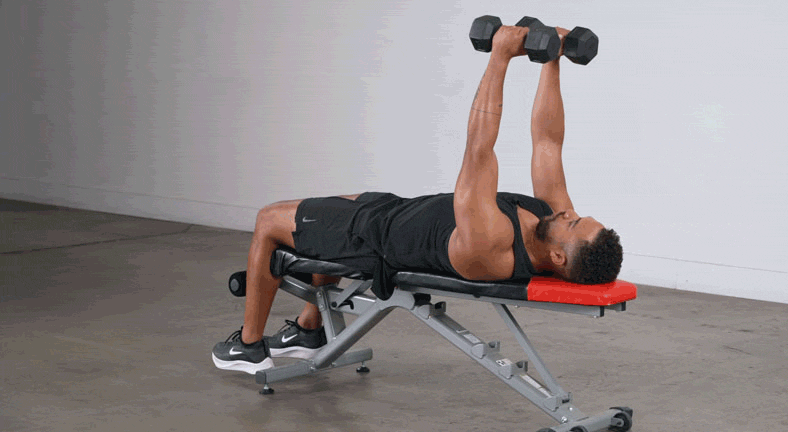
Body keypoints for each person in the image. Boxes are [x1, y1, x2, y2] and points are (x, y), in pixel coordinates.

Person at [212, 24, 623, 374]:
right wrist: (551, 60)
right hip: (395, 209)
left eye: (572, 223)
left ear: (558, 257)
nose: (567, 213)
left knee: (269, 220)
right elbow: (548, 142)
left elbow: (479, 149)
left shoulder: (492, 244)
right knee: (322, 214)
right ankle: (308, 330)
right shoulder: (549, 222)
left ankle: (248, 346)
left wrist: (499, 58)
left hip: (373, 237)